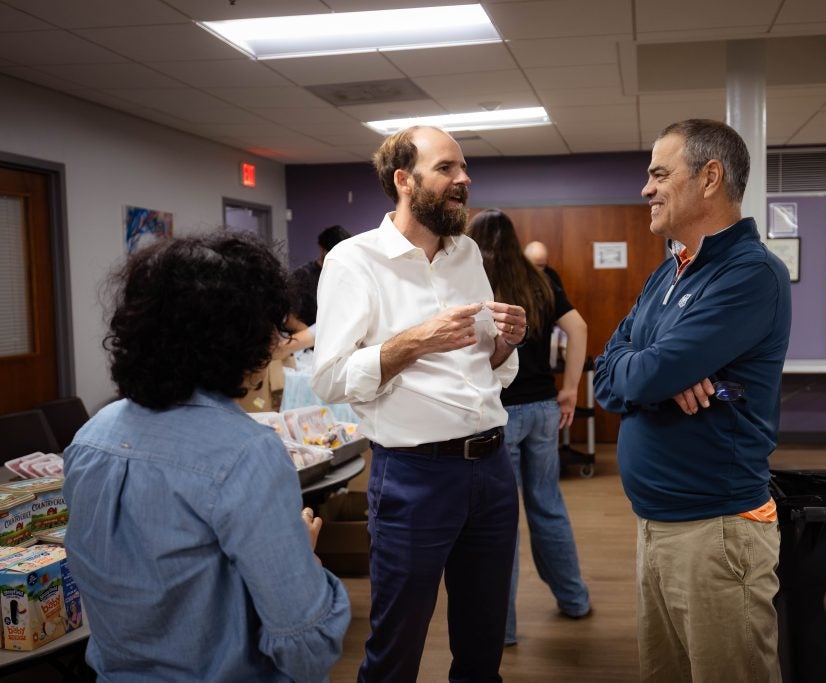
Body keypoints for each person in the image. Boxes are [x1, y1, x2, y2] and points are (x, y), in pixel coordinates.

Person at [63, 233, 351, 682]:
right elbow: (306, 645)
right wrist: (303, 560)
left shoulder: (90, 439)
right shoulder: (245, 454)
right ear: (239, 339)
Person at [311, 126, 528, 683]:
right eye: (448, 169)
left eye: (464, 168)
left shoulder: (467, 253)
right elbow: (331, 379)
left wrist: (505, 343)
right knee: (396, 647)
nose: (464, 179)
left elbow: (489, 368)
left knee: (483, 644)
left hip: (494, 470)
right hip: (415, 476)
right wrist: (417, 340)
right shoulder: (353, 261)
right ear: (404, 181)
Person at [593, 119, 792, 683]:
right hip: (654, 525)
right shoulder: (669, 271)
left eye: (659, 173)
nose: (646, 188)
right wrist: (654, 374)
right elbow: (608, 377)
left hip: (716, 533)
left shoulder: (750, 274)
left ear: (710, 178)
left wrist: (651, 372)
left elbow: (642, 375)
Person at [467, 209, 591, 647]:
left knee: (501, 522)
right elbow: (578, 328)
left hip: (499, 414)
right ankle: (574, 600)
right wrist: (571, 389)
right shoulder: (540, 277)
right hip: (542, 409)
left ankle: (505, 629)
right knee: (548, 505)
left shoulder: (474, 281)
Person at [290, 224, 352, 328]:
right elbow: (289, 318)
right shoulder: (302, 276)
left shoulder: (348, 273)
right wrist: (312, 335)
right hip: (310, 340)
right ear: (322, 249)